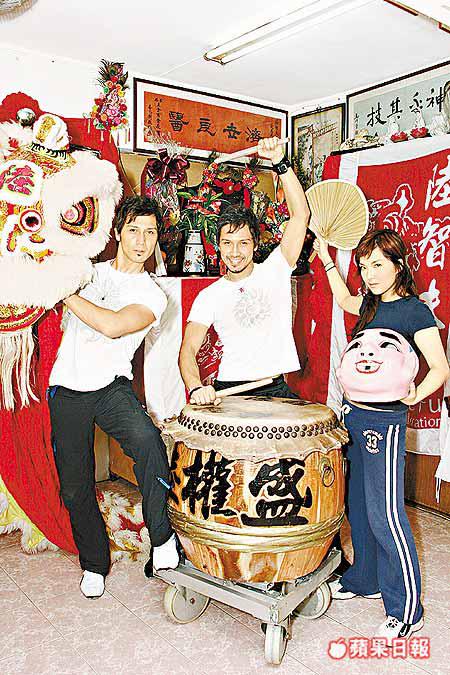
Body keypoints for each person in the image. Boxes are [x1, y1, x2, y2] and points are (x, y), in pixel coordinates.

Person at [313, 228, 449, 643]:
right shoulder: (369, 306)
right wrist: (325, 257)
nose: (370, 274)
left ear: (398, 265)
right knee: (356, 506)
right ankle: (365, 578)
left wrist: (415, 394)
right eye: (364, 266)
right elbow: (343, 298)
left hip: (384, 424)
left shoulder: (414, 311)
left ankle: (406, 609)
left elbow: (440, 367)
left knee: (385, 513)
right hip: (352, 416)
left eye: (377, 265)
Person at [48, 196, 179, 599]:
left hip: (111, 388)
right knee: (74, 487)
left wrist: (62, 292)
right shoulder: (88, 273)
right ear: (118, 232)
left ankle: (162, 538)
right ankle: (94, 564)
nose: (141, 240)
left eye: (150, 233)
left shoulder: (154, 294)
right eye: (134, 230)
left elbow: (113, 325)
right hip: (67, 388)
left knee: (149, 444)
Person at [179, 137, 310, 404]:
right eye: (227, 243)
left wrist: (279, 162)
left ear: (255, 244)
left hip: (274, 387)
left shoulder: (275, 269)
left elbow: (301, 215)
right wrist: (195, 387)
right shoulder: (209, 295)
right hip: (229, 389)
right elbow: (188, 349)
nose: (235, 252)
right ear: (217, 245)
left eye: (243, 243)